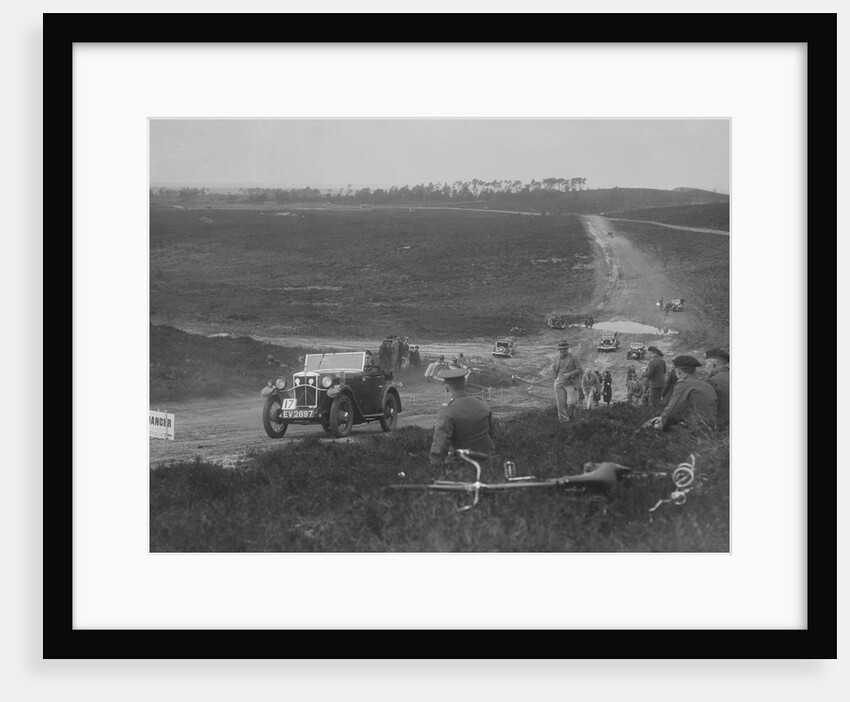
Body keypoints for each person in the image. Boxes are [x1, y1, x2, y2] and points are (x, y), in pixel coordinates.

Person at [428, 368, 496, 466]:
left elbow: (440, 444)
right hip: (489, 460)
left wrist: (433, 466)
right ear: (465, 385)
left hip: (462, 463)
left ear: (446, 388)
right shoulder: (482, 404)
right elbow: (491, 433)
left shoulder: (447, 410)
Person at [651, 355, 717, 433]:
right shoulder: (706, 385)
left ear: (678, 371)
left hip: (695, 430)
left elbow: (671, 412)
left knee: (650, 425)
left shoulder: (684, 384)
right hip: (710, 428)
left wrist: (660, 422)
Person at [552, 339, 583, 423]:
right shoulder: (556, 358)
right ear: (559, 350)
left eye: (564, 349)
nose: (563, 351)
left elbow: (580, 370)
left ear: (567, 349)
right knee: (561, 403)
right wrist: (555, 378)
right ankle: (564, 420)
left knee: (572, 402)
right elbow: (554, 368)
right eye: (561, 349)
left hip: (571, 383)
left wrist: (570, 374)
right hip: (560, 384)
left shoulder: (574, 358)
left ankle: (572, 416)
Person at [704, 347, 730, 429]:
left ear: (713, 364)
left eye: (706, 364)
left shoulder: (711, 382)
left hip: (721, 426)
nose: (705, 367)